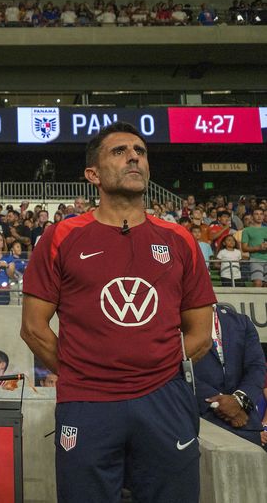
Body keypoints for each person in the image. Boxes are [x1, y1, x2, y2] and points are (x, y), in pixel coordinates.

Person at [21, 122, 216, 502]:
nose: (133, 157)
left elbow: (201, 334)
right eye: (120, 151)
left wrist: (157, 366)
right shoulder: (61, 236)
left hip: (165, 399)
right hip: (87, 402)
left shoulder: (179, 240)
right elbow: (33, 328)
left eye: (140, 152)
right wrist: (83, 372)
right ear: (92, 174)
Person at [195, 305, 266, 449]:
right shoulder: (175, 323)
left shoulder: (241, 322)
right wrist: (220, 404)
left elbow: (256, 367)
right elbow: (178, 371)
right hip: (201, 422)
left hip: (245, 423)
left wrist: (239, 400)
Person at [241, 208, 267, 287]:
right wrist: (258, 247)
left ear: (263, 216)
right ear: (252, 217)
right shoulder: (246, 230)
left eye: (261, 214)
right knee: (257, 283)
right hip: (255, 259)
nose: (259, 216)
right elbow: (244, 248)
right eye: (256, 214)